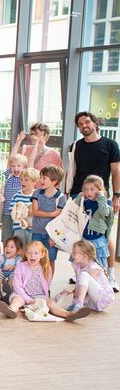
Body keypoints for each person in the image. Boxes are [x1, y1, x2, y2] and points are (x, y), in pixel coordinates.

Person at [68, 111, 120, 290]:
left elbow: (116, 172)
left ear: (95, 123)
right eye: (80, 124)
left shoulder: (110, 144)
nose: (84, 126)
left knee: (104, 236)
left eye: (87, 122)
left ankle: (110, 275)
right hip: (78, 195)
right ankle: (83, 272)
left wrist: (116, 195)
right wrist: (70, 194)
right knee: (81, 236)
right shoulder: (76, 146)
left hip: (100, 198)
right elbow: (72, 170)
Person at [0, 241, 90, 322]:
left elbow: (47, 285)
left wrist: (42, 299)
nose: (32, 255)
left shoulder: (46, 268)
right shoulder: (21, 266)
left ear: (42, 255)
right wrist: (28, 299)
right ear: (26, 254)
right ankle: (11, 310)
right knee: (16, 301)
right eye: (29, 253)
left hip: (39, 296)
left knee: (51, 304)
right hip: (21, 295)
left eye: (36, 253)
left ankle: (69, 315)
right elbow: (17, 286)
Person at [31, 165, 66, 275]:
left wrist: (54, 237)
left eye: (44, 178)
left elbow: (60, 219)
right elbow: (35, 212)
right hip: (37, 232)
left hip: (51, 235)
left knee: (50, 260)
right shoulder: (36, 193)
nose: (40, 180)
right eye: (40, 177)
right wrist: (52, 213)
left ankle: (48, 285)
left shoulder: (61, 197)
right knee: (35, 259)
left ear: (54, 181)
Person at [72, 175, 112, 268]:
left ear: (99, 190)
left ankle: (101, 281)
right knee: (83, 263)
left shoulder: (104, 203)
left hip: (97, 239)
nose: (88, 192)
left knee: (99, 265)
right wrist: (80, 197)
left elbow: (104, 212)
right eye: (86, 189)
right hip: (85, 238)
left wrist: (101, 196)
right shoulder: (86, 202)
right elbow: (75, 208)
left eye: (92, 189)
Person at [65, 240, 114, 313]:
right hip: (92, 299)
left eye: (74, 252)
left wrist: (75, 295)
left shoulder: (93, 268)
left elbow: (87, 290)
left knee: (84, 275)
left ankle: (79, 304)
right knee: (61, 296)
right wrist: (71, 293)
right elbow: (80, 286)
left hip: (102, 298)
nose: (71, 255)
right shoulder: (78, 266)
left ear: (84, 256)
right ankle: (79, 304)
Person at [0, 153, 28, 241]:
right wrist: (18, 141)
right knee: (6, 237)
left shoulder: (24, 179)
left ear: (24, 167)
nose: (15, 168)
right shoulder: (9, 176)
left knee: (18, 239)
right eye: (13, 166)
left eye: (19, 165)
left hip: (20, 215)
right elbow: (10, 159)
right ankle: (6, 254)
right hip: (7, 213)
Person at [9, 168, 39, 247]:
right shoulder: (17, 195)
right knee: (19, 248)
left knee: (31, 249)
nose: (23, 182)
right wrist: (26, 212)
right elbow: (12, 211)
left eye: (26, 180)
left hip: (33, 229)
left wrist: (23, 212)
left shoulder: (38, 195)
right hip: (18, 228)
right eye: (21, 179)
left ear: (34, 182)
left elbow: (38, 212)